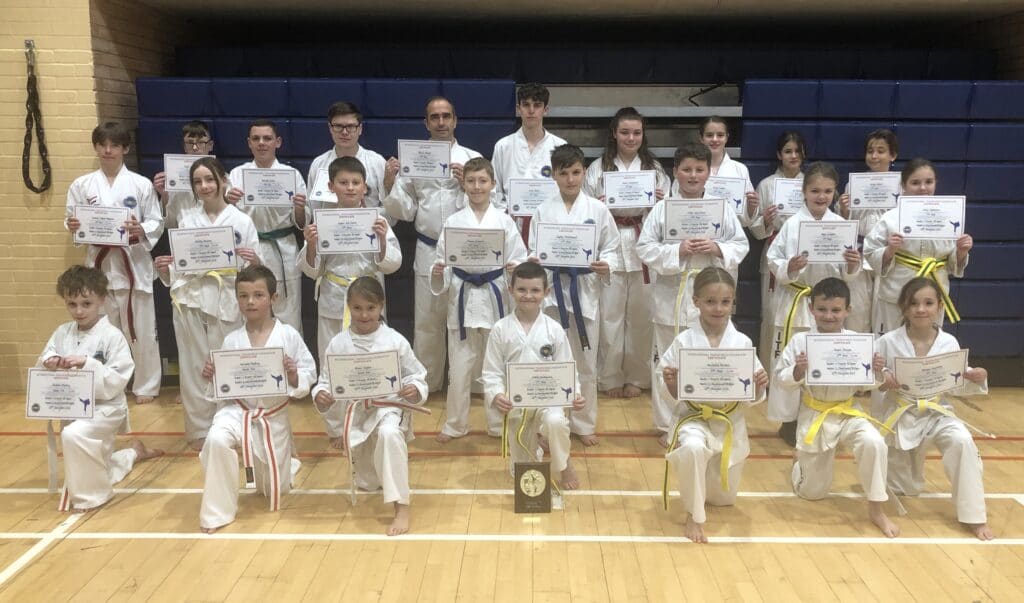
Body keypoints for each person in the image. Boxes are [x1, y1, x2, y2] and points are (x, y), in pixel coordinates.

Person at [767, 277, 899, 537]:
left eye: (836, 310)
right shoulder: (800, 342)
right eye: (822, 309)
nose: (829, 316)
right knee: (812, 493)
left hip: (849, 411)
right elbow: (781, 380)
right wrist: (798, 370)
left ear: (848, 310)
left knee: (874, 442)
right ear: (811, 308)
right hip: (815, 412)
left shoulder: (858, 342)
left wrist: (877, 370)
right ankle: (799, 465)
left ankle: (876, 509)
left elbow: (872, 384)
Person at [636, 143, 748, 446]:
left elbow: (741, 244)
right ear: (676, 172)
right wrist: (677, 250)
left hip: (711, 297)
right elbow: (644, 248)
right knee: (666, 363)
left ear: (708, 172)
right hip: (672, 294)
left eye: (699, 169)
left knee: (707, 358)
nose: (693, 175)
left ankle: (705, 415)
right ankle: (666, 425)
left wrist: (716, 248)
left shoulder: (722, 208)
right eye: (686, 169)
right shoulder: (662, 209)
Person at [198, 266, 316, 533]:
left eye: (258, 295)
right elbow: (223, 389)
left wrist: (294, 374)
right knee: (216, 439)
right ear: (236, 299)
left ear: (273, 299)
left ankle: (289, 466)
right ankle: (216, 514)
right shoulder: (231, 340)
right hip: (238, 412)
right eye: (243, 296)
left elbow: (309, 374)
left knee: (274, 489)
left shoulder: (288, 335)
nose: (250, 301)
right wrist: (211, 375)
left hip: (272, 418)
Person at [154, 157, 262, 449]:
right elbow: (182, 267)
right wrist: (166, 268)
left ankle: (236, 428)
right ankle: (200, 431)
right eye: (197, 182)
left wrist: (254, 261)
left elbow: (258, 271)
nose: (204, 186)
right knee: (193, 367)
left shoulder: (242, 220)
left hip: (227, 300)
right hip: (191, 302)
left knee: (229, 365)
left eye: (210, 179)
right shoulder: (187, 220)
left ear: (223, 180)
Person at [876, 277, 992, 540]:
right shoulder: (888, 341)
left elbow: (957, 380)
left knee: (962, 441)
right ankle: (905, 480)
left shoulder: (948, 342)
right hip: (902, 414)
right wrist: (883, 377)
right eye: (913, 303)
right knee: (907, 489)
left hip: (938, 413)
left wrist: (977, 376)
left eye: (928, 303)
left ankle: (974, 516)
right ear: (903, 308)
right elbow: (873, 378)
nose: (921, 309)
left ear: (939, 306)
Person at [38, 265, 162, 511]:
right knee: (99, 465)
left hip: (106, 407)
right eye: (72, 304)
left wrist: (89, 363)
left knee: (74, 435)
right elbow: (45, 358)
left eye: (86, 303)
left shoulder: (112, 336)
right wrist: (50, 362)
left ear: (102, 300)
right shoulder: (62, 332)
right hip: (74, 408)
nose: (79, 310)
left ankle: (93, 497)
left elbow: (119, 378)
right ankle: (133, 453)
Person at [311, 277, 428, 536]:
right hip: (357, 414)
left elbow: (417, 375)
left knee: (389, 434)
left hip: (390, 408)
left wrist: (414, 390)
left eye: (371, 308)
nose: (364, 314)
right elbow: (324, 382)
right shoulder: (338, 343)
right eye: (357, 308)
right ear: (348, 307)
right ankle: (372, 476)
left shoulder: (395, 340)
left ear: (382, 307)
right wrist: (321, 396)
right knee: (369, 483)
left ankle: (402, 507)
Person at [298, 156, 402, 445]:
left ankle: (371, 422)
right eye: (343, 183)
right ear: (331, 186)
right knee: (333, 365)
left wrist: (381, 241)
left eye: (355, 182)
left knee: (371, 363)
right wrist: (310, 245)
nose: (350, 187)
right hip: (334, 298)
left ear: (365, 186)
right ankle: (337, 429)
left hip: (368, 300)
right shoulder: (321, 222)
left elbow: (393, 264)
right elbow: (311, 269)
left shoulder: (377, 220)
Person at [660, 267, 768, 543]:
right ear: (695, 302)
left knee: (722, 500)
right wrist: (671, 382)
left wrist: (759, 384)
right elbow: (670, 393)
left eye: (725, 302)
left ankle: (703, 497)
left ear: (734, 303)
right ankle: (694, 515)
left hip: (729, 422)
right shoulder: (684, 341)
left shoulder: (742, 342)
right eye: (710, 301)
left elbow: (752, 396)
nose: (718, 308)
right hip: (693, 418)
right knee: (693, 449)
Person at [383, 96, 483, 393]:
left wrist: (468, 184)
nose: (441, 122)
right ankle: (428, 384)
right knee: (428, 322)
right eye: (434, 117)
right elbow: (406, 211)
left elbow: (490, 206)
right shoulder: (415, 157)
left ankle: (470, 385)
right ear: (426, 123)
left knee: (469, 320)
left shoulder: (473, 158)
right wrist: (390, 183)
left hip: (467, 250)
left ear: (455, 120)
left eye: (446, 116)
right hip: (428, 248)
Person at [65, 122, 164, 405]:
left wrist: (141, 229)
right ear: (96, 147)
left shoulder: (140, 184)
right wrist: (73, 225)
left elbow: (156, 220)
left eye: (115, 145)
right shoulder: (82, 185)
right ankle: (109, 386)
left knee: (142, 331)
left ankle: (146, 385)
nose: (108, 151)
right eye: (103, 145)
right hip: (100, 267)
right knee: (104, 332)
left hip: (133, 265)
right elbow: (72, 220)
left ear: (125, 149)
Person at [528, 144, 620, 447]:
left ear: (584, 172)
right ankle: (549, 423)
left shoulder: (598, 209)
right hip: (553, 295)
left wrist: (605, 264)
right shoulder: (543, 209)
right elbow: (533, 249)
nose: (570, 179)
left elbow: (612, 249)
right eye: (564, 173)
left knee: (586, 363)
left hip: (585, 295)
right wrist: (537, 261)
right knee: (549, 360)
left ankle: (583, 423)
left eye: (576, 172)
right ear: (553, 175)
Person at [431, 158, 527, 441]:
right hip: (462, 298)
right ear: (464, 184)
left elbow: (518, 258)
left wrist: (513, 268)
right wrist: (440, 271)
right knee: (459, 368)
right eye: (471, 181)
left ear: (493, 184)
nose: (476, 186)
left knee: (495, 366)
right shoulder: (453, 221)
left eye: (482, 181)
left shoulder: (504, 220)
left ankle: (497, 424)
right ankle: (455, 423)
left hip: (494, 295)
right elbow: (442, 259)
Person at [583, 107, 669, 399]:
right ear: (614, 134)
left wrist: (661, 200)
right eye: (625, 132)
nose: (631, 138)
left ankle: (638, 377)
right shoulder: (598, 168)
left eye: (636, 132)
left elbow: (667, 215)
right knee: (609, 318)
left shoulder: (655, 170)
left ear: (643, 135)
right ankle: (609, 378)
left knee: (642, 319)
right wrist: (598, 203)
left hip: (644, 244)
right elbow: (585, 210)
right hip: (610, 243)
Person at [482, 262, 586, 490]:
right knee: (522, 473)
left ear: (546, 293)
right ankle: (537, 445)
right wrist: (497, 394)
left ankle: (563, 463)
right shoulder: (500, 329)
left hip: (548, 400)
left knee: (556, 421)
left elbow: (567, 367)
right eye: (521, 289)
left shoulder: (554, 329)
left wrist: (575, 394)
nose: (528, 295)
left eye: (535, 290)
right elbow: (491, 372)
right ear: (510, 290)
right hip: (516, 404)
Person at [766, 162, 862, 375]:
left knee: (824, 359)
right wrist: (789, 267)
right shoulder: (791, 224)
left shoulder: (840, 224)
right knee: (792, 360)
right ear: (804, 191)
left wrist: (853, 264)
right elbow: (772, 258)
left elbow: (849, 274)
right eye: (815, 191)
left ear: (835, 192)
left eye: (828, 191)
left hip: (828, 305)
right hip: (795, 299)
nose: (821, 197)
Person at [862, 159, 971, 336]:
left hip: (933, 293)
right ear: (903, 186)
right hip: (895, 294)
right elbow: (868, 251)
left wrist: (961, 252)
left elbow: (951, 263)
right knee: (891, 343)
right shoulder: (890, 218)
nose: (923, 188)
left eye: (929, 182)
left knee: (928, 343)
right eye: (915, 182)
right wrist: (890, 250)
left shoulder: (948, 217)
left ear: (936, 183)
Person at [224, 119, 308, 332]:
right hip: (249, 247)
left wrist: (299, 207)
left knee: (288, 311)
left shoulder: (292, 175)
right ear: (249, 143)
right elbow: (226, 217)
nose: (262, 143)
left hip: (284, 249)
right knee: (251, 308)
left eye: (267, 138)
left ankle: (289, 361)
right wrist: (228, 202)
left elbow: (301, 223)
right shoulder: (236, 174)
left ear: (277, 142)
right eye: (256, 139)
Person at [835, 129, 901, 334]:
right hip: (860, 253)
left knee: (884, 314)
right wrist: (844, 210)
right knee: (858, 313)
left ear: (893, 155)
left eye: (881, 151)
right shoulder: (853, 184)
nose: (874, 156)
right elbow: (844, 224)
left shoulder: (901, 186)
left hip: (889, 254)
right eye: (870, 151)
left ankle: (882, 362)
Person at [750, 131, 807, 368]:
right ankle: (771, 371)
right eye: (787, 151)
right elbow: (755, 229)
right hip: (775, 250)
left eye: (797, 151)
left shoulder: (812, 182)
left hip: (805, 256)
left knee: (804, 316)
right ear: (778, 155)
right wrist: (765, 220)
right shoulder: (766, 185)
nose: (793, 156)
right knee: (772, 313)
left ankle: (801, 368)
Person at [492, 82, 567, 243]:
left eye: (537, 105)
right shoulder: (503, 146)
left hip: (549, 223)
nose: (531, 110)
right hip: (511, 224)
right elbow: (495, 189)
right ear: (519, 109)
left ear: (546, 110)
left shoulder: (560, 146)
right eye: (526, 105)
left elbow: (567, 187)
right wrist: (504, 218)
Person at [307, 101, 391, 222]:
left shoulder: (377, 162)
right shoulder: (318, 164)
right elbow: (313, 211)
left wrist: (363, 215)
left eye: (351, 126)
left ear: (360, 129)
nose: (344, 132)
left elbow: (390, 212)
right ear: (330, 128)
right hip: (330, 235)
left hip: (369, 232)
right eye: (338, 126)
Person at [673, 117, 758, 226]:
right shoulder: (686, 169)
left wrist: (751, 207)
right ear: (701, 138)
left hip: (729, 232)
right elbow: (676, 205)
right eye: (709, 135)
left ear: (727, 137)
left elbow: (747, 220)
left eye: (720, 135)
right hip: (694, 229)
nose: (715, 139)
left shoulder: (740, 169)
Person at [154, 120, 215, 229]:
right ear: (184, 146)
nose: (195, 148)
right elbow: (168, 224)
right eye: (190, 143)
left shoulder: (223, 179)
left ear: (210, 145)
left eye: (201, 142)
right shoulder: (173, 181)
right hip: (184, 240)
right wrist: (164, 196)